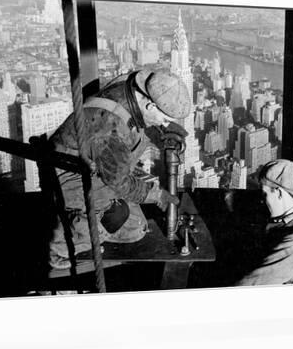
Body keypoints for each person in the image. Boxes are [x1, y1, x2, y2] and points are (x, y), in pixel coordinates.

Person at [47, 70, 191, 269]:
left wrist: (167, 133)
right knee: (116, 216)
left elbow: (142, 121)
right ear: (150, 105)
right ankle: (60, 246)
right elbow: (120, 182)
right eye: (164, 120)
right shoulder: (111, 130)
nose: (165, 124)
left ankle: (90, 217)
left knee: (136, 229)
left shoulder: (130, 88)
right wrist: (158, 195)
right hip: (69, 175)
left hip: (94, 161)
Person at [235, 159, 293, 286]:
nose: (262, 201)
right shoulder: (289, 223)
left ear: (279, 193)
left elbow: (245, 287)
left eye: (265, 194)